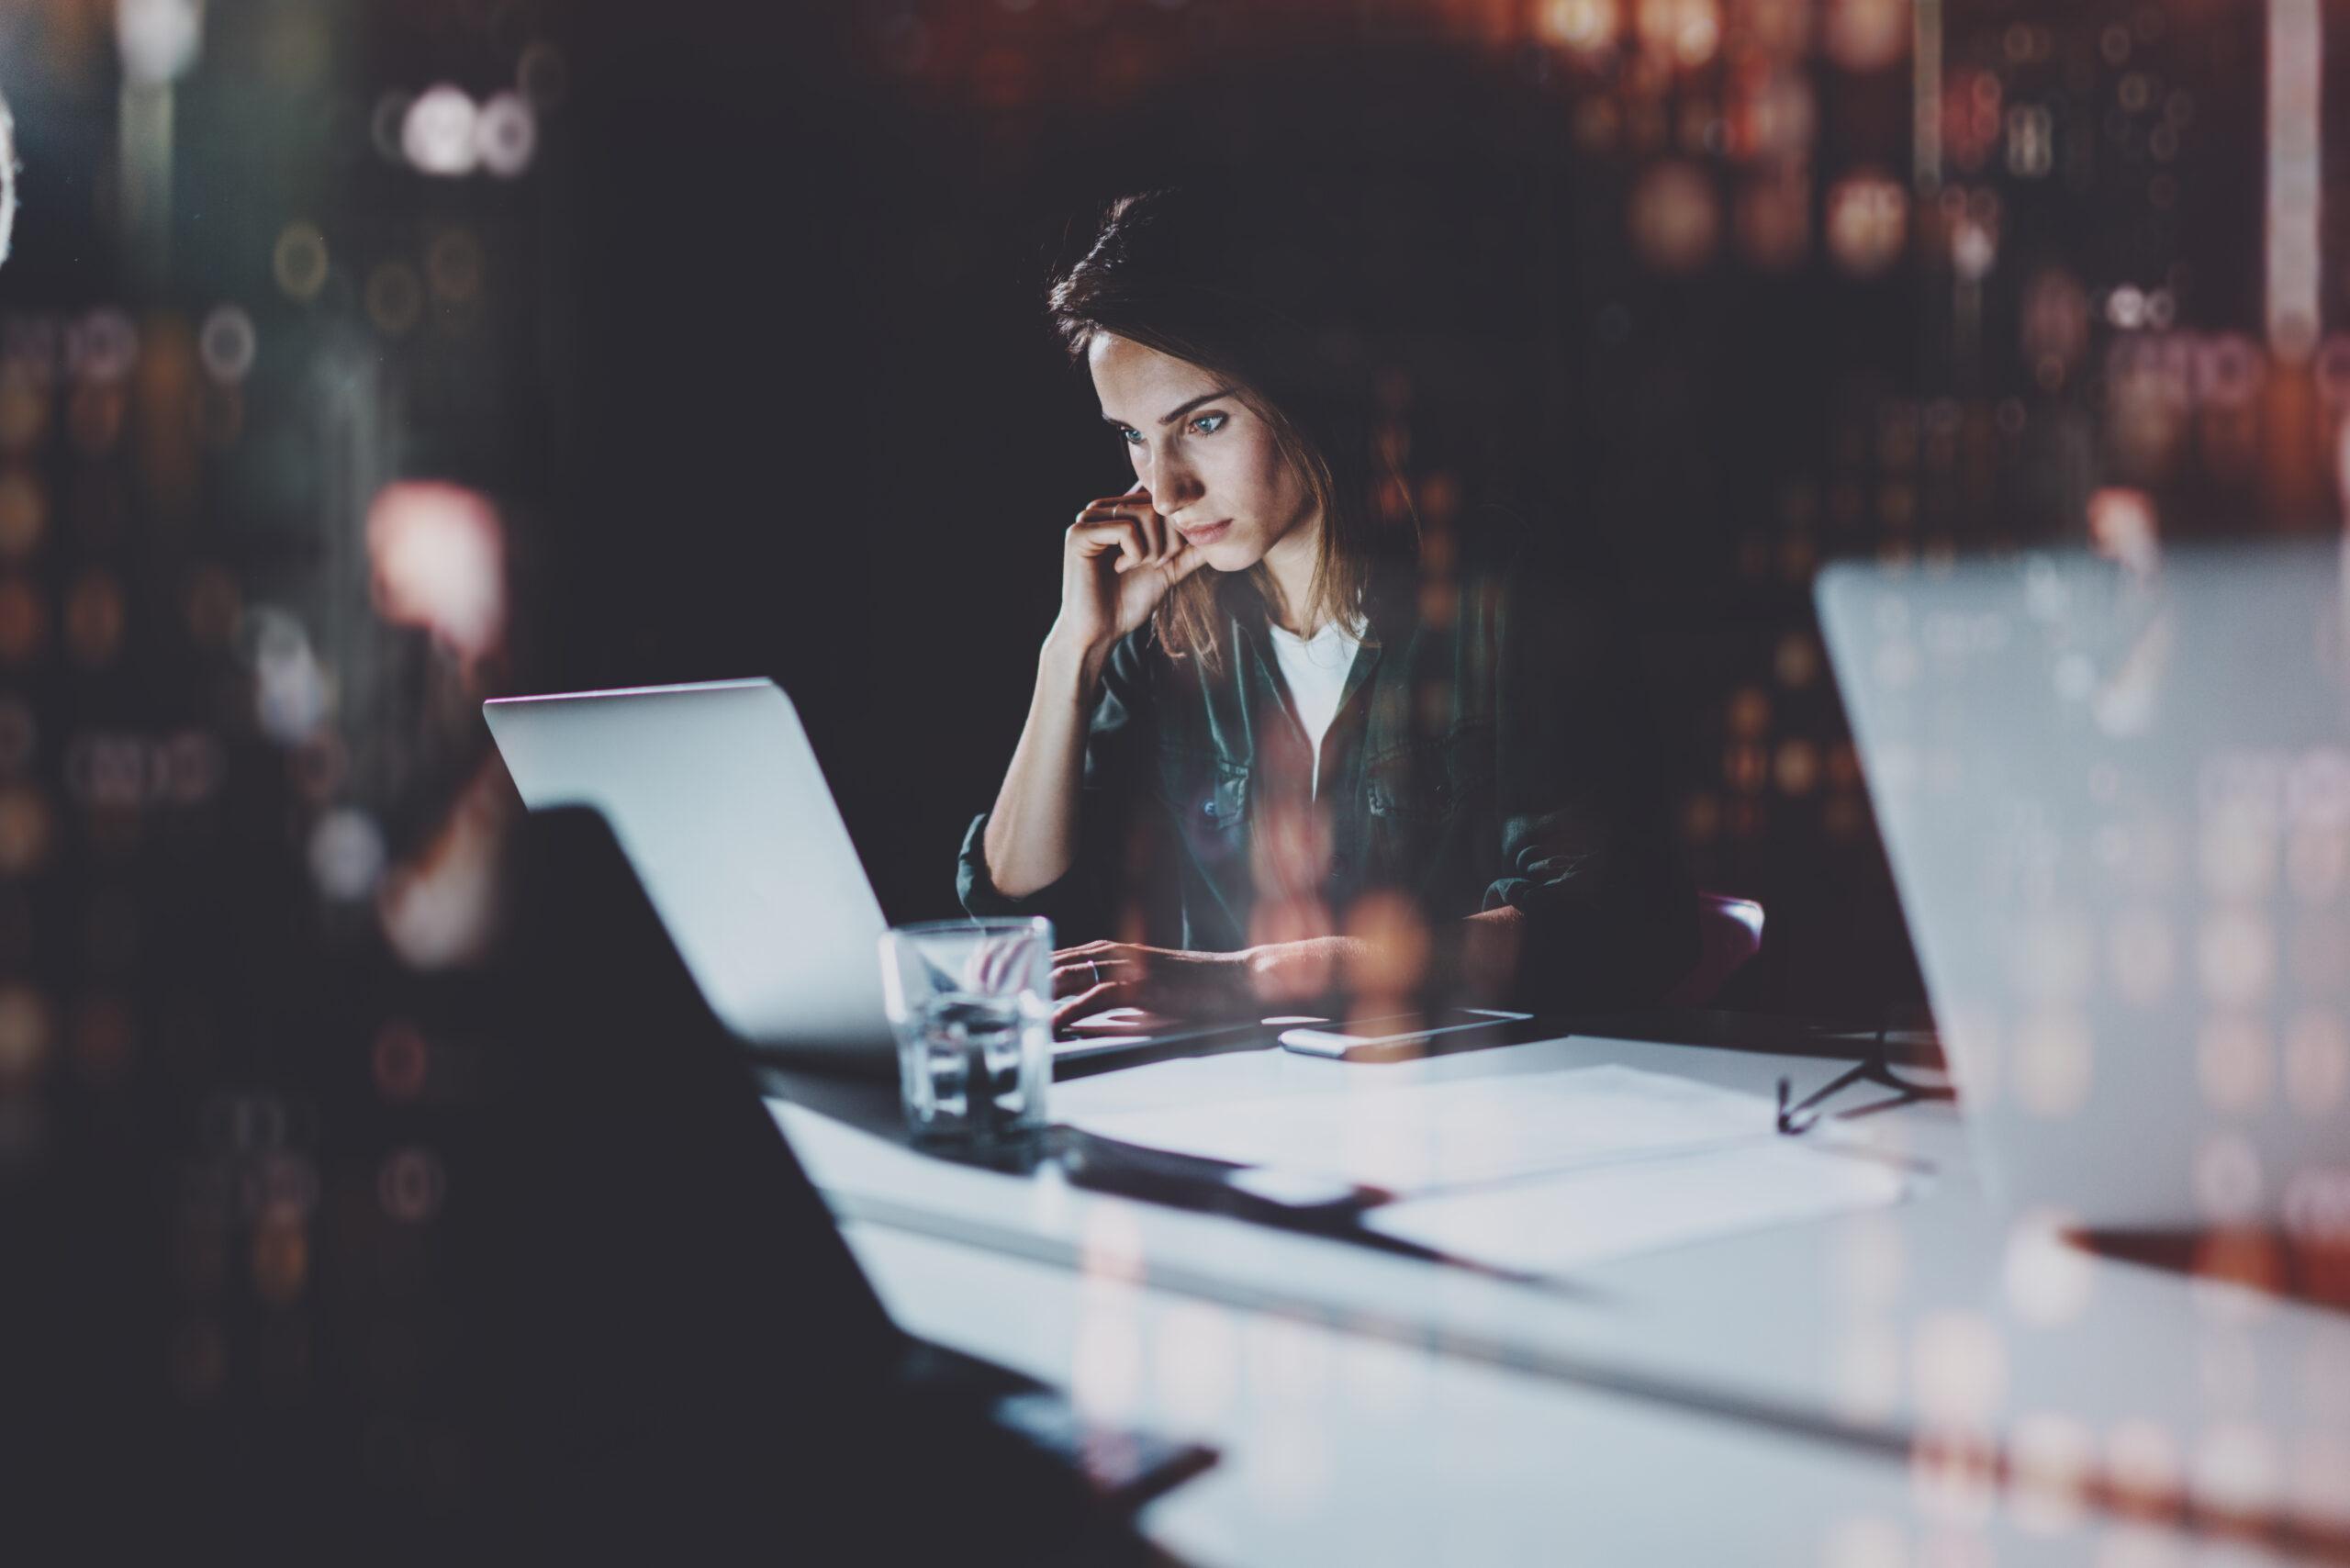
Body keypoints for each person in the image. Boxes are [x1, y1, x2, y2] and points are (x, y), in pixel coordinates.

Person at [957, 185, 1694, 1027]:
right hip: (1232, 1116)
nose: (1163, 490)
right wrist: (1072, 656)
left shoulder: (1503, 588)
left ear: (1303, 391)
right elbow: (1021, 913)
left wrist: (1254, 976)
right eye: (1132, 435)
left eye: (1202, 424)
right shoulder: (1166, 626)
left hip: (1473, 1112)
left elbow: (1620, 927)